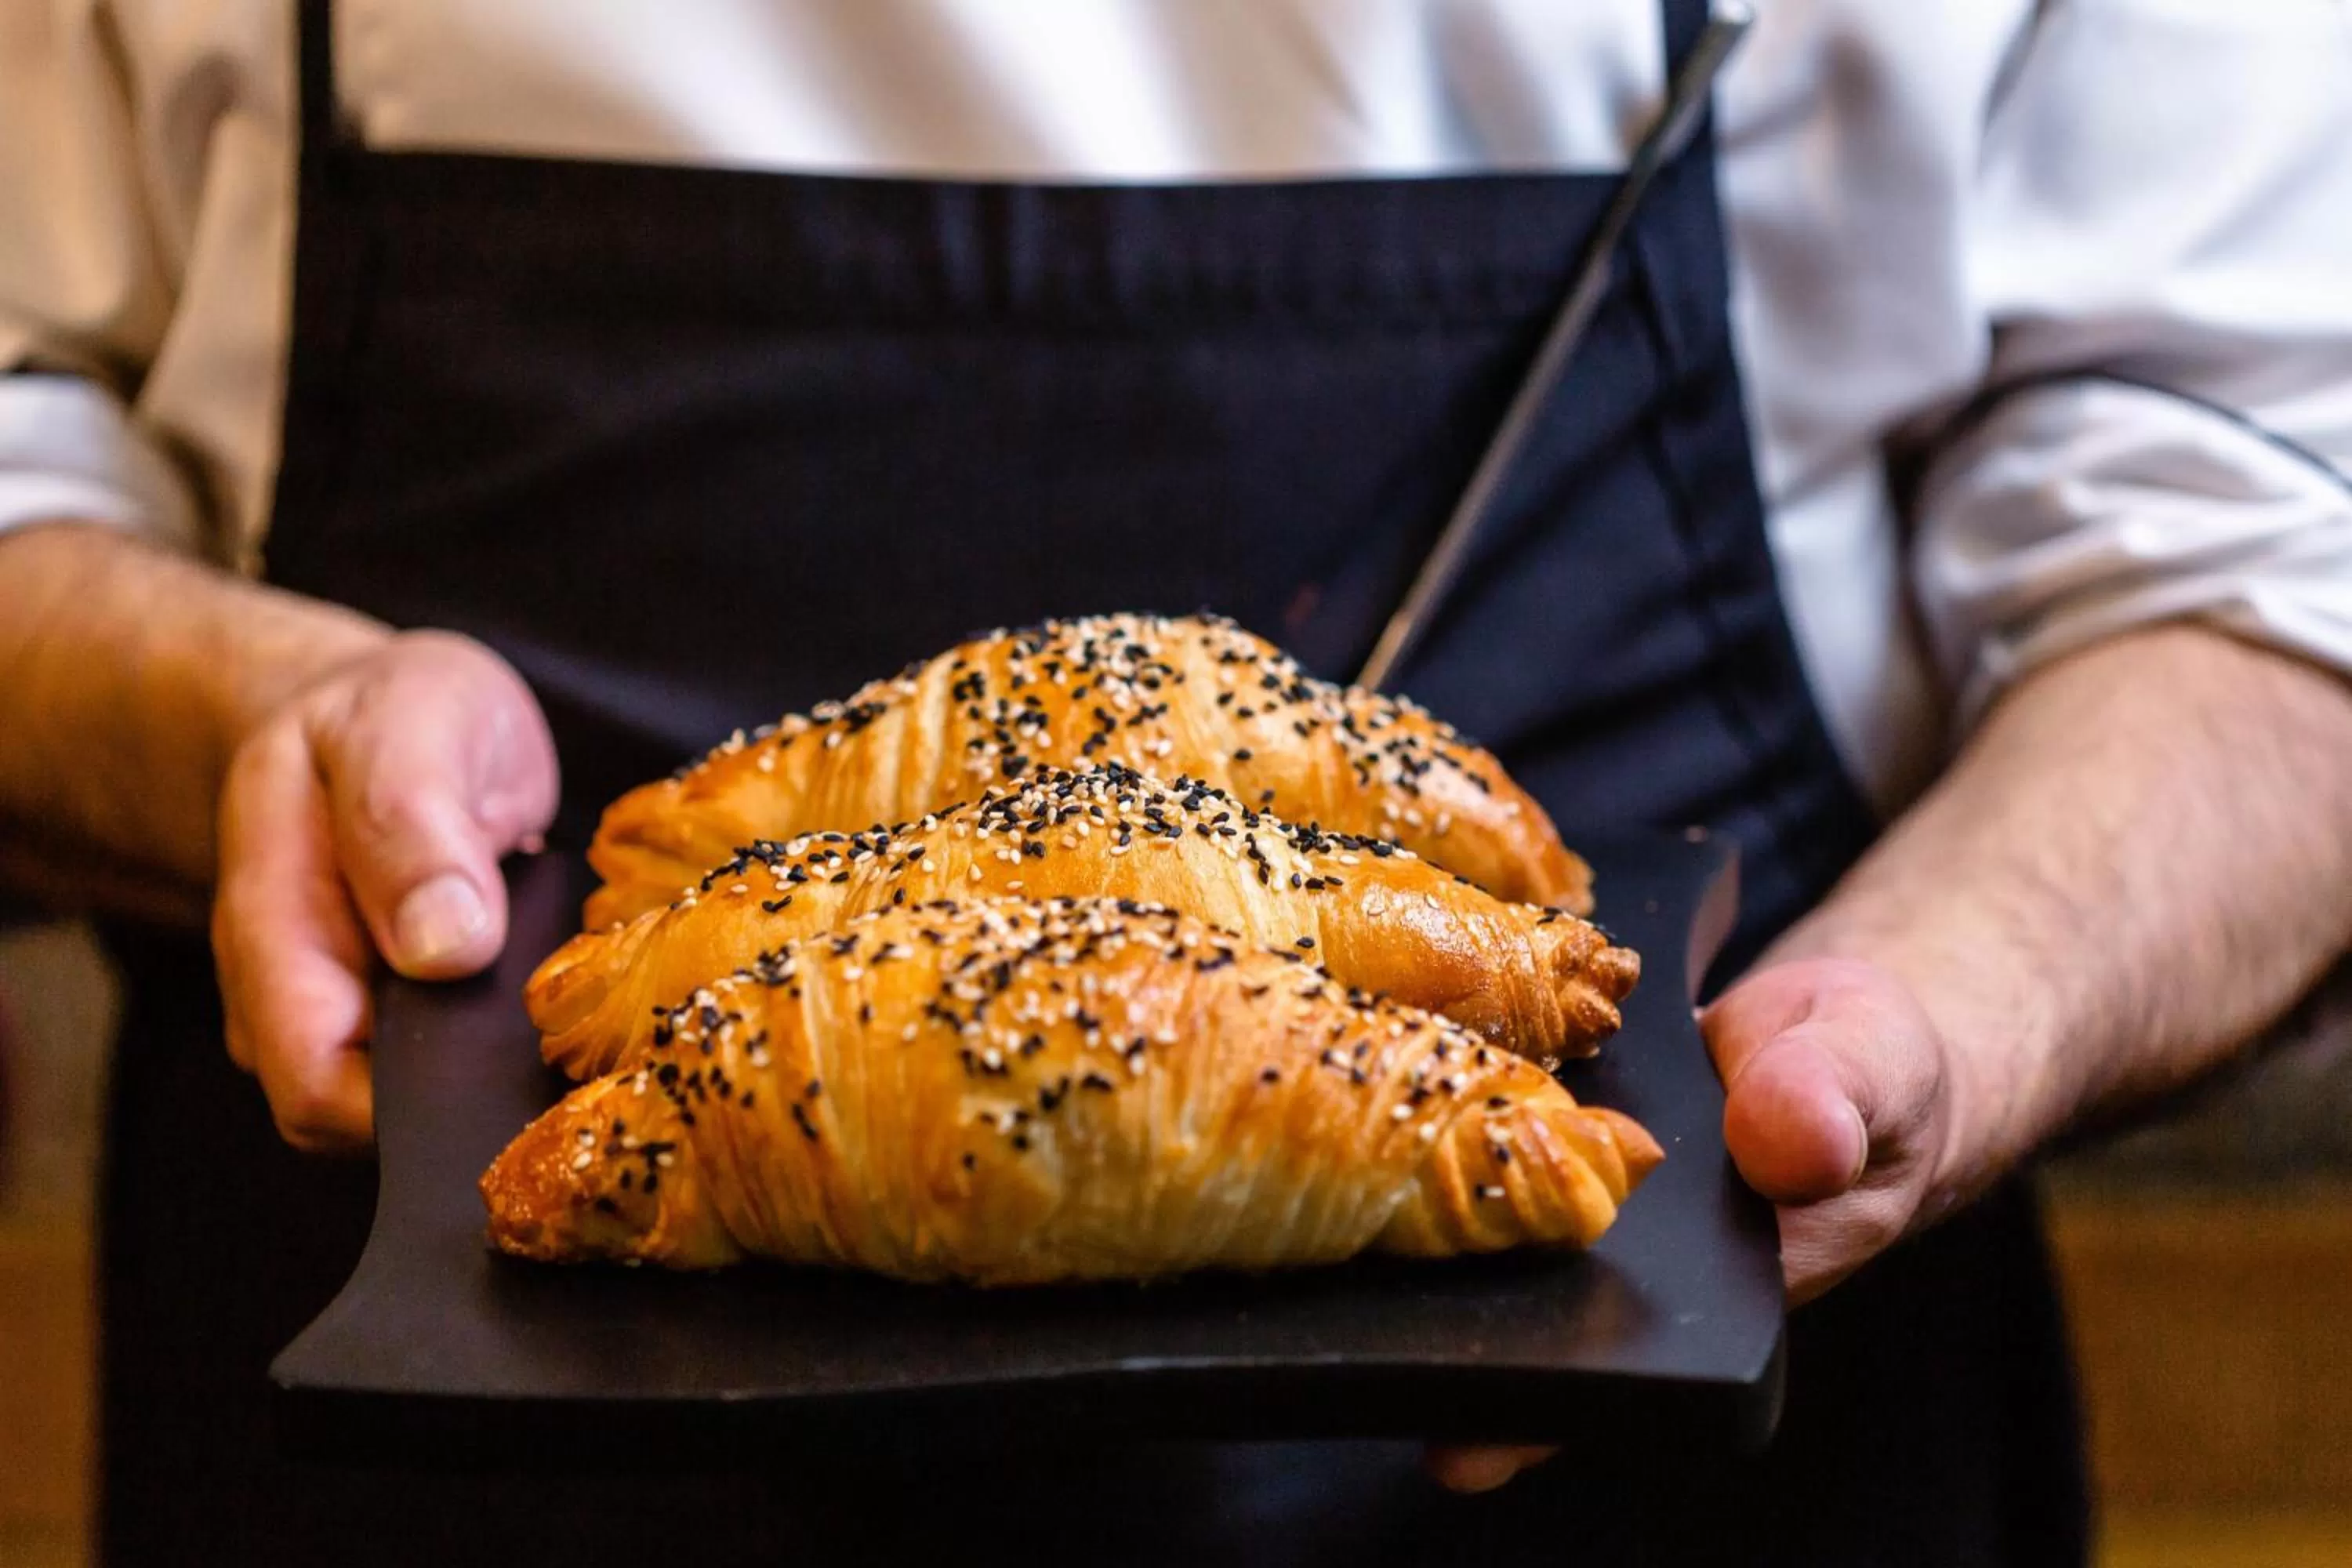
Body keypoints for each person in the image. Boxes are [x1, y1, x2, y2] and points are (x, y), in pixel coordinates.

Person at [5, 2, 2351, 1563]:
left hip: (1704, 1442)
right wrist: (224, 713)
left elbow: (2269, 547)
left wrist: (1965, 998)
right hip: (445, 1440)